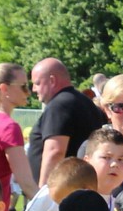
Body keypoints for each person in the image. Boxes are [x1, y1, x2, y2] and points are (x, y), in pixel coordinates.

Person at [27, 59, 107, 188]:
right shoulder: (85, 102)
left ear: (52, 80)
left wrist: (44, 194)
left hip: (60, 193)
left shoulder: (59, 105)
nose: (34, 89)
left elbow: (55, 151)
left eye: (37, 83)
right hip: (80, 187)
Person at [0, 64, 39, 211]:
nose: (28, 92)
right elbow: (27, 184)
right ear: (4, 89)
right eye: (23, 86)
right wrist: (55, 210)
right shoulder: (8, 126)